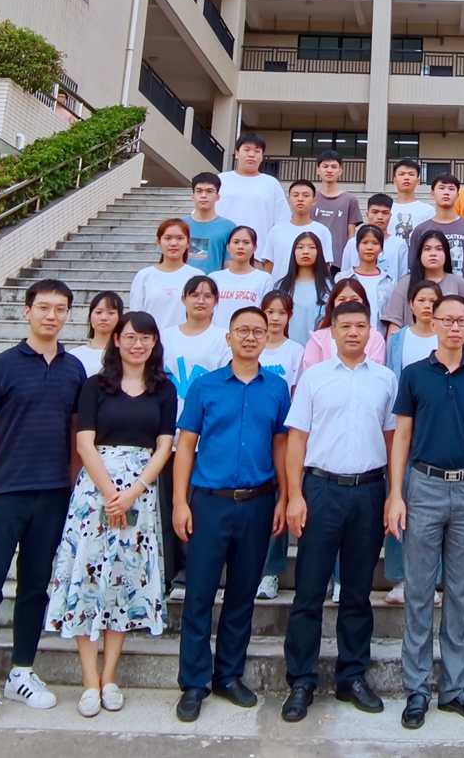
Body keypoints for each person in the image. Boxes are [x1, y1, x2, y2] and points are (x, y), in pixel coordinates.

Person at [0, 280, 86, 726]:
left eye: (60, 309)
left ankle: (21, 671)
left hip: (52, 494)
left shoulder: (74, 369)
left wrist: (69, 483)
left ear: (68, 315)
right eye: (44, 307)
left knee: (35, 587)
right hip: (4, 492)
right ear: (27, 311)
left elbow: (77, 433)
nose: (52, 316)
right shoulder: (1, 367)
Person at [45, 312, 176, 717]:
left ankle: (109, 677)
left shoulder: (164, 389)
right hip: (95, 494)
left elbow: (164, 446)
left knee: (124, 580)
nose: (138, 344)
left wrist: (132, 493)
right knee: (89, 577)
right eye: (131, 337)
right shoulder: (94, 386)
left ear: (154, 343)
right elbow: (84, 443)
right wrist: (110, 494)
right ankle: (88, 681)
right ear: (116, 340)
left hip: (140, 494)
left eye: (146, 338)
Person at [279, 300, 398, 723]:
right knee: (309, 590)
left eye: (360, 326)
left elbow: (392, 441)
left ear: (371, 332)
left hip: (368, 492)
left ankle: (352, 676)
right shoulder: (314, 378)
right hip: (321, 490)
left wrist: (393, 494)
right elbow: (296, 440)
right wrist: (295, 495)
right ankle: (301, 681)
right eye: (344, 326)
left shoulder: (385, 379)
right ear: (332, 332)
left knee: (358, 592)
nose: (352, 333)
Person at [171, 307, 292, 723]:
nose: (250, 337)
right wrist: (180, 502)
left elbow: (281, 446)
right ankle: (194, 682)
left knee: (242, 595)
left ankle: (228, 675)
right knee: (199, 595)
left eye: (258, 331)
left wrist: (284, 497)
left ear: (266, 337)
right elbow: (186, 446)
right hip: (210, 503)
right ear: (229, 337)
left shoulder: (276, 388)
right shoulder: (205, 386)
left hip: (258, 503)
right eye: (242, 330)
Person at [387, 296, 464, 729]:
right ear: (432, 324)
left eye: (461, 321)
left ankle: (454, 687)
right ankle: (416, 689)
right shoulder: (414, 375)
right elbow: (401, 436)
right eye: (447, 320)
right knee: (418, 591)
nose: (454, 327)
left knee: (459, 591)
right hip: (425, 486)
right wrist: (396, 494)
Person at [159, 276, 232, 598]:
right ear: (184, 299)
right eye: (194, 295)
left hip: (204, 438)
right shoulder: (165, 337)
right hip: (166, 436)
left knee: (195, 510)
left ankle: (189, 575)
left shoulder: (222, 339)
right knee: (167, 507)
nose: (200, 300)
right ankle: (166, 574)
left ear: (216, 302)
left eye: (207, 295)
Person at [381, 281, 443, 606]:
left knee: (434, 510)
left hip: (438, 431)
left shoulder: (446, 336)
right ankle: (400, 577)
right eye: (422, 300)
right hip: (403, 429)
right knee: (398, 499)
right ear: (411, 304)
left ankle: (431, 580)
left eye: (434, 300)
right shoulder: (398, 339)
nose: (427, 305)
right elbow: (390, 381)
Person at [385, 231, 464, 334]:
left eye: (439, 249)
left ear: (446, 254)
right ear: (420, 254)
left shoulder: (458, 282)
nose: (433, 253)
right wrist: (394, 343)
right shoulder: (406, 282)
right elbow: (394, 321)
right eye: (427, 249)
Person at [409, 173, 464, 284]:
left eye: (451, 189)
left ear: (458, 195)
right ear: (432, 193)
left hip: (461, 291)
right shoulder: (420, 230)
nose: (446, 192)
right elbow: (414, 265)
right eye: (441, 188)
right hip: (429, 290)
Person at [216, 134, 291, 247]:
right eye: (246, 150)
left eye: (257, 151)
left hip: (259, 251)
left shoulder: (271, 184)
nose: (251, 155)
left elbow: (282, 222)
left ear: (262, 157)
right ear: (236, 154)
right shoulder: (221, 180)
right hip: (220, 249)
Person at [130, 219, 205, 329]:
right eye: (168, 238)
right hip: (152, 338)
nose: (173, 244)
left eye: (180, 238)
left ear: (188, 242)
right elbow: (135, 315)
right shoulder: (144, 276)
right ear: (159, 242)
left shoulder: (197, 276)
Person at [302, 278, 388, 369]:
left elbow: (376, 372)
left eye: (354, 299)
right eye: (342, 299)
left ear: (364, 303)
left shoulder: (375, 338)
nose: (348, 303)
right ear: (333, 304)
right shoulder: (318, 339)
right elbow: (311, 373)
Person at [258, 179, 333, 278]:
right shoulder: (276, 231)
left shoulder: (322, 231)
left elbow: (325, 266)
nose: (300, 199)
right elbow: (269, 266)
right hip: (279, 286)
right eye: (296, 195)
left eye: (306, 195)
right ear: (288, 201)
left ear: (314, 201)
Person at [209, 226, 275, 329]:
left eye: (246, 242)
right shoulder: (214, 278)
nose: (240, 247)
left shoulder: (264, 279)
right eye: (236, 242)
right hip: (218, 336)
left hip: (250, 336)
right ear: (228, 247)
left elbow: (267, 313)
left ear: (255, 247)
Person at [275, 231, 333, 346]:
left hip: (316, 349)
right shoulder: (281, 286)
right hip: (285, 349)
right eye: (300, 247)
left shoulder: (327, 287)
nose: (306, 251)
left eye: (312, 247)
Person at [337, 224, 396, 334]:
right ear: (357, 246)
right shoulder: (342, 278)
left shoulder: (390, 282)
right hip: (349, 336)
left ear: (381, 248)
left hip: (379, 338)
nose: (369, 247)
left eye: (375, 243)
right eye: (364, 243)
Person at [341, 193, 410, 282]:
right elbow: (345, 275)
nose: (380, 217)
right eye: (375, 212)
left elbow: (403, 278)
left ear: (390, 216)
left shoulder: (399, 244)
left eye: (385, 213)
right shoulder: (353, 243)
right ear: (367, 214)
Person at [311, 150, 362, 264]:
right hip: (312, 261)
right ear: (318, 170)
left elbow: (351, 236)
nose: (329, 170)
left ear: (340, 171)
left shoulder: (350, 200)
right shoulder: (310, 199)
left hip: (338, 262)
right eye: (325, 166)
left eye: (334, 167)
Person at [183, 172, 236, 275]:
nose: (204, 196)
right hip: (182, 282)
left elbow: (229, 265)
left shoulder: (229, 227)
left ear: (217, 197)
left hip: (214, 283)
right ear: (193, 196)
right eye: (199, 191)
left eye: (209, 191)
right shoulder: (178, 225)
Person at [258, 290, 305, 391]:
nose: (275, 318)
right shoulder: (253, 346)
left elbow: (297, 389)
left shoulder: (296, 350)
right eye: (270, 312)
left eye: (282, 313)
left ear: (290, 315)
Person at [70, 290, 123, 377]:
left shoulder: (125, 353)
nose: (104, 318)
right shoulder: (74, 355)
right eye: (98, 312)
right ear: (90, 316)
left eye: (111, 313)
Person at [388, 158, 436, 242]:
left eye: (411, 174)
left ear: (418, 181)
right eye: (402, 174)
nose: (406, 178)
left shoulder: (428, 211)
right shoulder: (387, 210)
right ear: (394, 180)